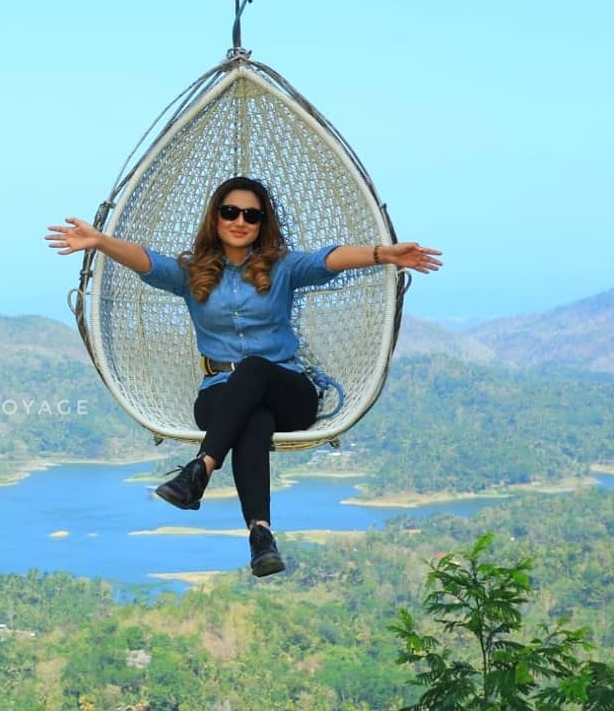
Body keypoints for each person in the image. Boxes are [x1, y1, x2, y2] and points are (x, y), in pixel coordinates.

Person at [46, 176, 442, 577]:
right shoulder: (192, 273)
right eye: (230, 212)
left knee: (253, 369)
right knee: (252, 419)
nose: (240, 221)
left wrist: (384, 254)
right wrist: (99, 242)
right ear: (215, 217)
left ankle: (200, 468)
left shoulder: (283, 268)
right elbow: (147, 261)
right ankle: (261, 536)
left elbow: (329, 259)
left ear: (262, 222)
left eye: (251, 215)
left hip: (288, 391)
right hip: (221, 393)